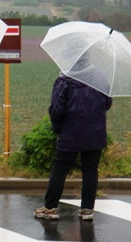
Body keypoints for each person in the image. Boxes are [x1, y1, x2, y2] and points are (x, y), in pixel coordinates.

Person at [34, 72, 112, 221]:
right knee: (90, 170)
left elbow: (56, 108)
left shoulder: (64, 82)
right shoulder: (101, 79)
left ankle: (50, 208)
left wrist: (58, 128)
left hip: (70, 134)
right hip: (95, 133)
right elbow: (107, 103)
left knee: (60, 169)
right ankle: (87, 210)